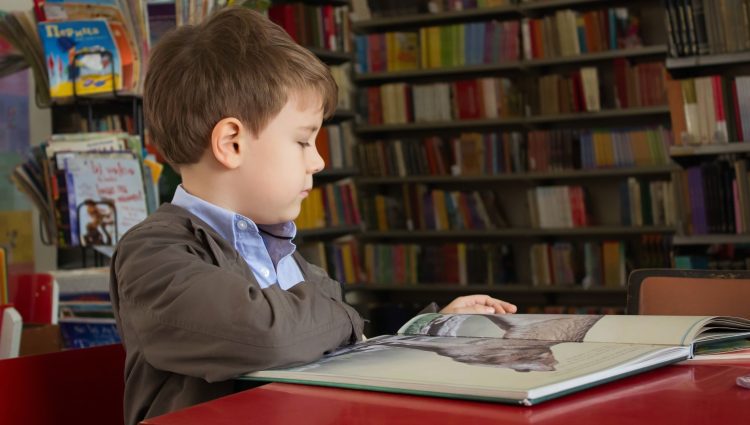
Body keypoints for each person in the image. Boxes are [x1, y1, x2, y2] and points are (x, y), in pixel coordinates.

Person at [109, 7, 517, 425]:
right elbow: (268, 335)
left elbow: (333, 343)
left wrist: (428, 330)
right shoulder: (151, 254)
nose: (318, 161)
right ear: (231, 143)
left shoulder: (277, 249)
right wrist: (342, 313)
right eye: (303, 141)